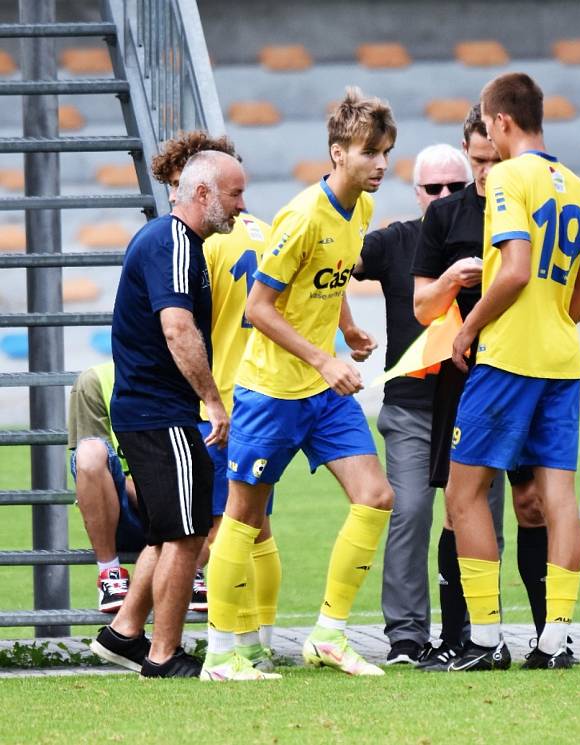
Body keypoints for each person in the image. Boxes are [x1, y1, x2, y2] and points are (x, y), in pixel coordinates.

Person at [203, 87, 396, 680]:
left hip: (320, 391)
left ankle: (329, 636)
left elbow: (327, 282)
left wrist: (351, 328)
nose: (381, 164)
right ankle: (221, 653)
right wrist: (324, 357)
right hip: (270, 392)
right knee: (243, 516)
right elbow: (260, 307)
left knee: (376, 496)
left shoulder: (359, 208)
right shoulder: (301, 216)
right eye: (369, 152)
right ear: (338, 153)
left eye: (387, 151)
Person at [442, 72, 580, 672]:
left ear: (501, 121)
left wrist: (468, 327)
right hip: (562, 360)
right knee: (558, 496)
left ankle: (485, 641)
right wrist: (554, 319)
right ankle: (555, 641)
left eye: (486, 124)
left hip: (509, 358)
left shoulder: (508, 176)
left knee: (464, 494)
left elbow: (512, 271)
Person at [90, 150, 246, 678]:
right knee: (187, 534)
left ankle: (124, 633)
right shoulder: (175, 243)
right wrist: (212, 399)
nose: (241, 205)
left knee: (166, 532)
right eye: (235, 194)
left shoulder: (174, 242)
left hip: (147, 410)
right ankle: (164, 655)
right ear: (203, 194)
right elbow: (178, 328)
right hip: (161, 412)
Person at [411, 105, 549, 671]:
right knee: (458, 506)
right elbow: (423, 306)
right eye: (478, 161)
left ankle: (548, 637)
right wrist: (451, 281)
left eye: (495, 159)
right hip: (467, 377)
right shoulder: (445, 217)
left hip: (528, 367)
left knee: (532, 503)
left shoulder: (533, 203)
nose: (488, 172)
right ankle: (460, 636)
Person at [151, 133, 280, 672]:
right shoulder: (271, 231)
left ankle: (167, 637)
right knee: (254, 528)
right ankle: (259, 640)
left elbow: (181, 328)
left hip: (218, 402)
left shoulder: (200, 245)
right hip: (267, 394)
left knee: (203, 536)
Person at [353, 142, 479, 665]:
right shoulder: (396, 240)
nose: (445, 196)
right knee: (408, 511)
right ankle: (406, 635)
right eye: (434, 187)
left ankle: (471, 632)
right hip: (410, 403)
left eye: (456, 186)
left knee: (475, 516)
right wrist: (344, 327)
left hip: (475, 401)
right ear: (416, 191)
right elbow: (331, 260)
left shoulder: (492, 237)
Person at [68, 362, 146, 612]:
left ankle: (191, 570)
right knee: (89, 452)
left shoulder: (194, 372)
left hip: (183, 507)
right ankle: (110, 574)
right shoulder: (97, 379)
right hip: (124, 509)